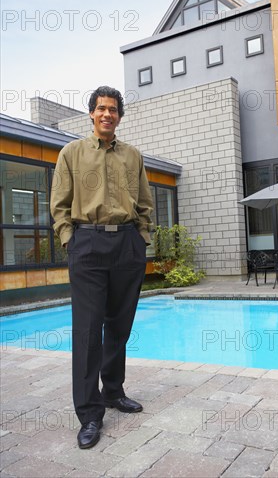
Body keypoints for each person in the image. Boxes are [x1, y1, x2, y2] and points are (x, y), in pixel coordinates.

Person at [50, 86, 153, 449]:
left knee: (119, 328)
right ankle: (90, 414)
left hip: (127, 244)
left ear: (119, 116)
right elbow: (59, 204)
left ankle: (112, 391)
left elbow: (144, 202)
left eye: (113, 109)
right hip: (88, 244)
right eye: (101, 109)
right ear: (91, 114)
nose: (107, 114)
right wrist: (69, 239)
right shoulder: (71, 153)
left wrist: (141, 237)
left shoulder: (133, 156)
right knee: (89, 332)